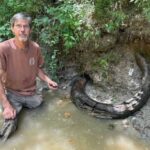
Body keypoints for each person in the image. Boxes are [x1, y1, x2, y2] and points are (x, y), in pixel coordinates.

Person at [0, 12, 58, 139]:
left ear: (30, 29)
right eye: (18, 26)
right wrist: (6, 105)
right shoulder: (3, 49)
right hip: (12, 93)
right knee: (9, 126)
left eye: (26, 26)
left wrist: (48, 80)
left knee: (41, 108)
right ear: (12, 28)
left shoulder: (35, 48)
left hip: (31, 93)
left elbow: (36, 68)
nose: (22, 30)